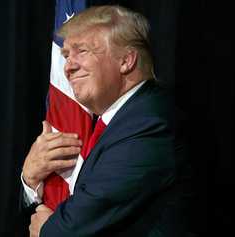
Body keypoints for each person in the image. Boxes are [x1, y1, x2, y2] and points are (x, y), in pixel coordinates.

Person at [21, 5, 191, 237]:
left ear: (126, 60)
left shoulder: (150, 123)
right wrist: (30, 180)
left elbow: (71, 229)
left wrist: (47, 229)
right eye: (66, 55)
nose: (68, 66)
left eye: (81, 51)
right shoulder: (115, 121)